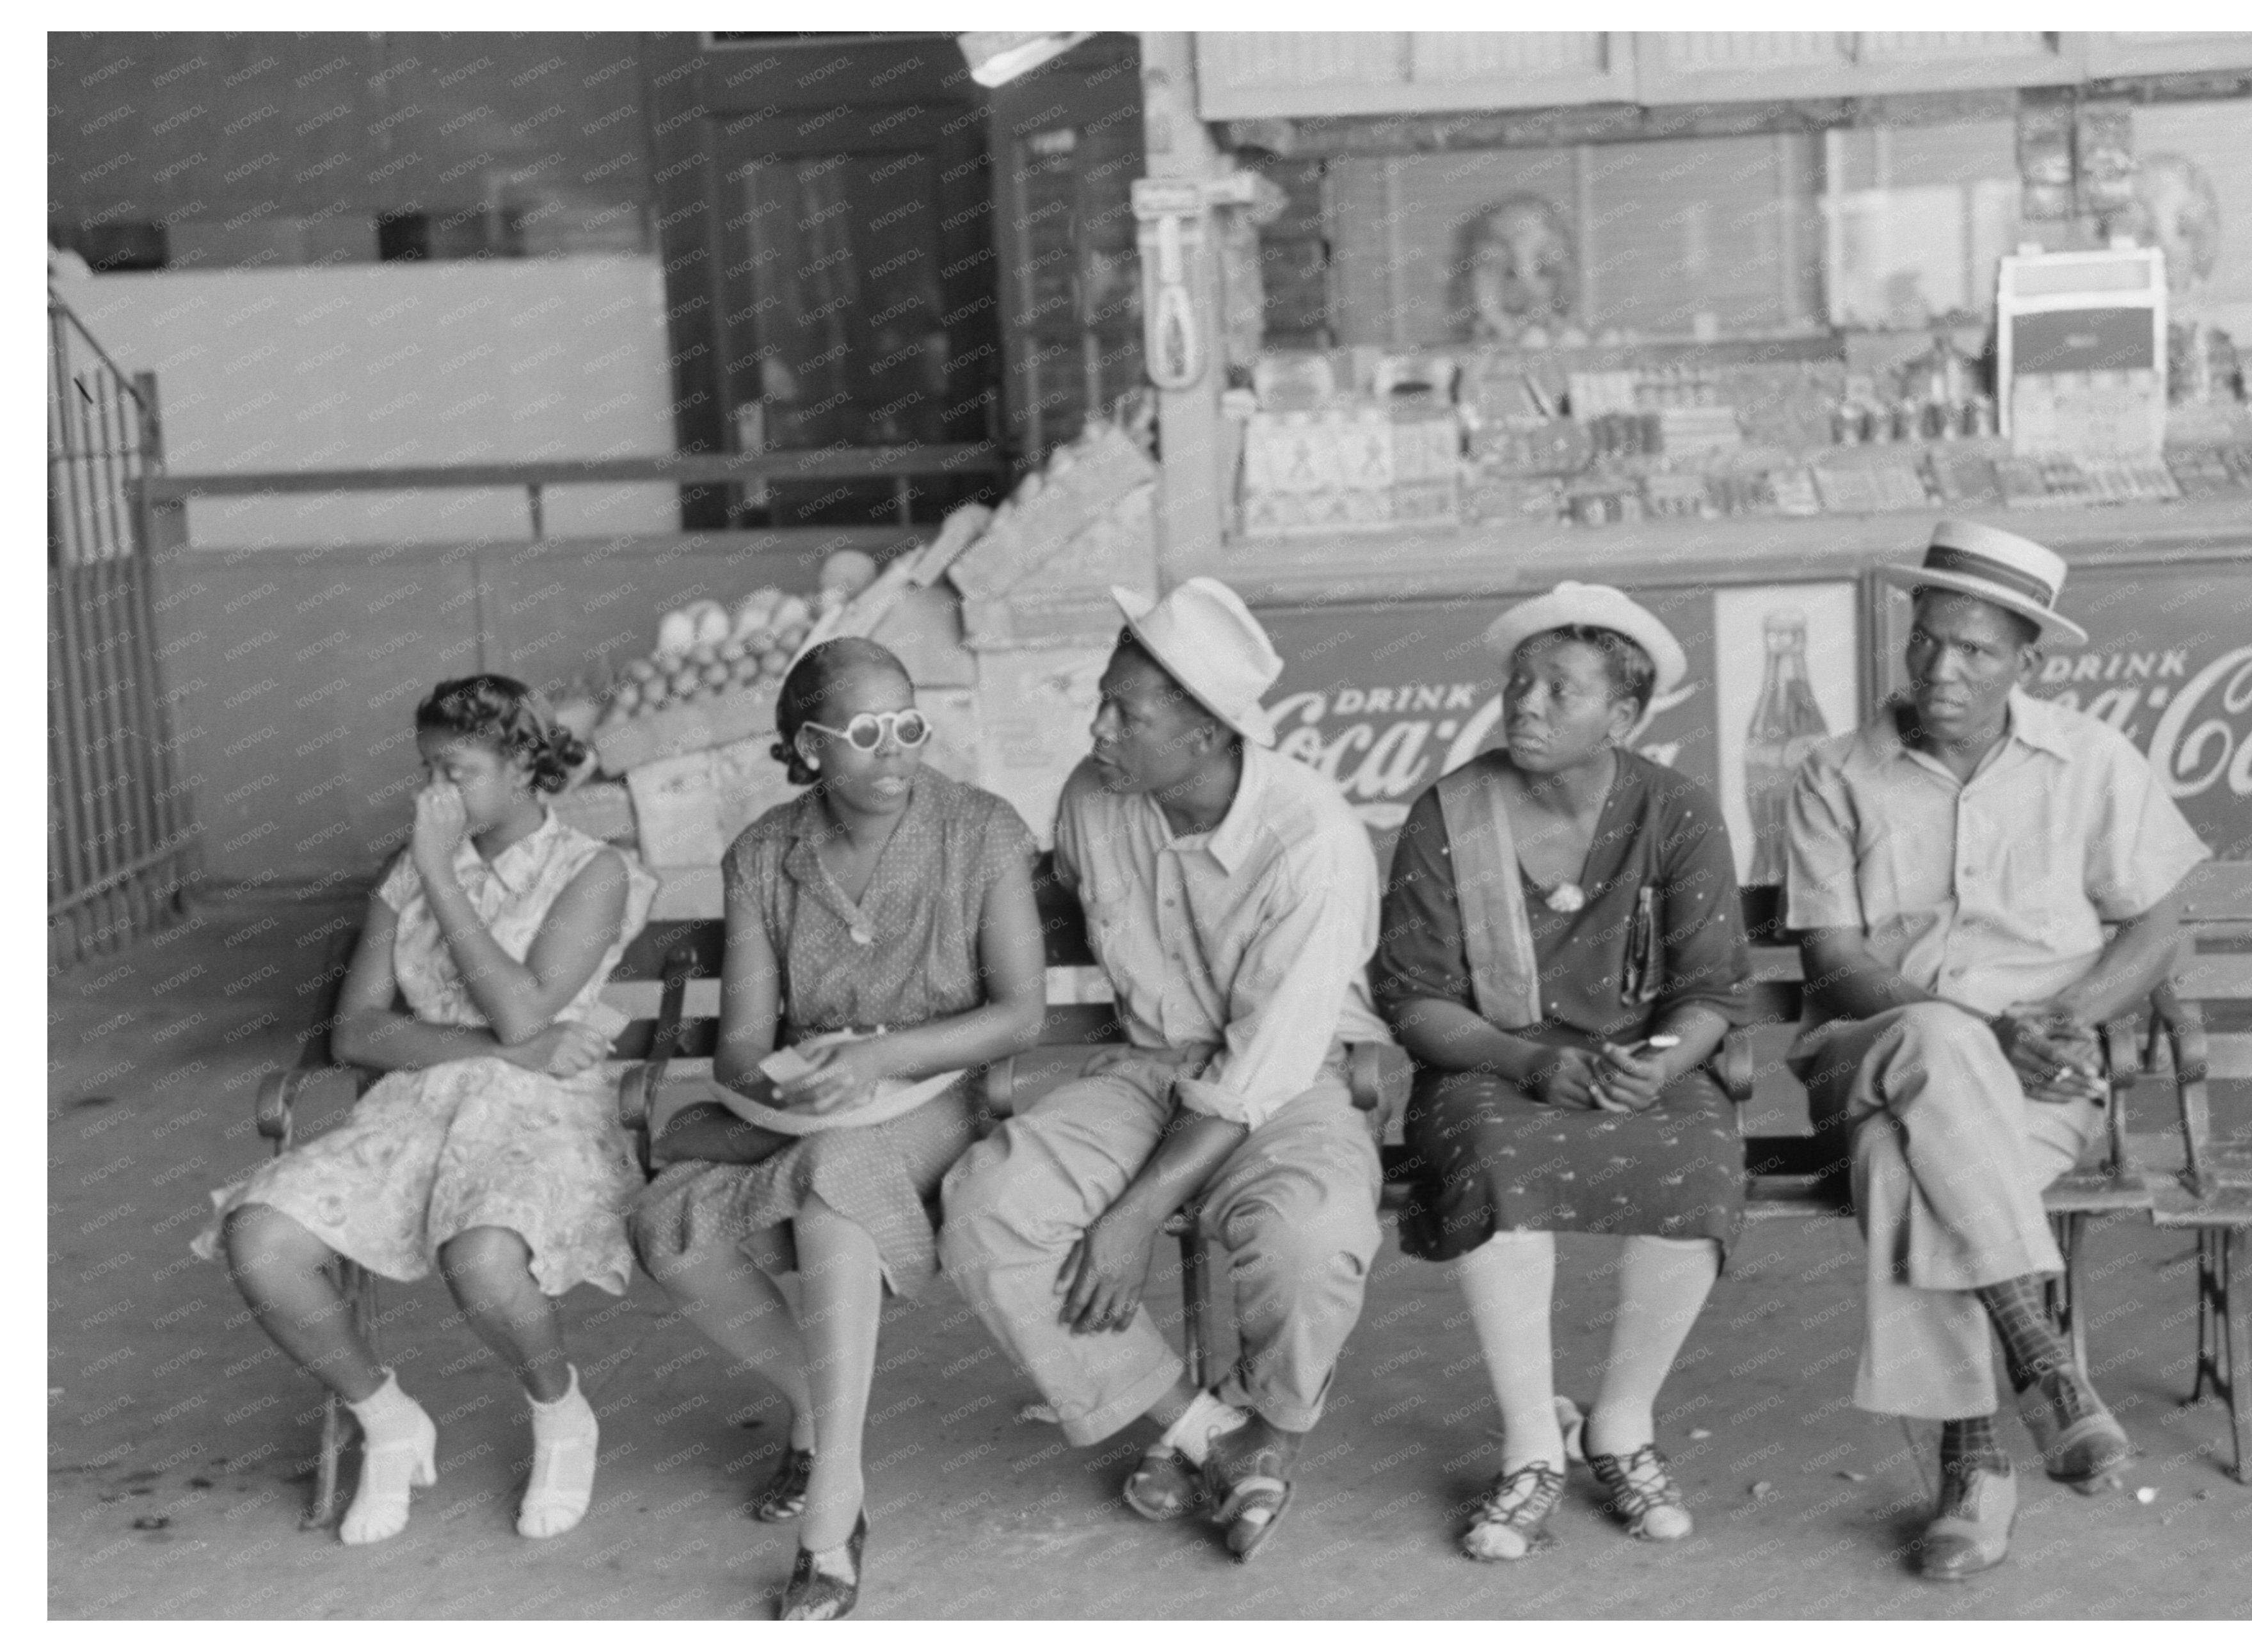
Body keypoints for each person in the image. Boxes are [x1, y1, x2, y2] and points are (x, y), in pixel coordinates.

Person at [1783, 521, 2208, 1582]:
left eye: (1975, 650)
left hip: (2039, 1080)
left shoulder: (2089, 759)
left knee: (1900, 1164)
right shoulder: (1832, 771)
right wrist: (1980, 1029)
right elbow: (1832, 958)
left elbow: (2158, 927)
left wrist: (2070, 1016)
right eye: (1926, 640)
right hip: (1870, 1050)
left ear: (2029, 659)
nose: (1941, 669)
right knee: (1936, 1035)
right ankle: (2043, 1355)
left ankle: (1974, 1474)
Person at [938, 576, 1389, 1564]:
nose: (1096, 729)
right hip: (1148, 1070)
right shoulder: (1096, 796)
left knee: (1312, 1238)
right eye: (1101, 700)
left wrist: (1132, 1214)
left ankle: (1270, 1421)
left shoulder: (1311, 838)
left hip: (1288, 1079)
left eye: (1123, 713)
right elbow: (1034, 893)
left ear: (1209, 735)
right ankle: (1208, 1434)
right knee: (988, 1204)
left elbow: (1259, 1068)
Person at [628, 637, 1045, 1621]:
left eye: (908, 724)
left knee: (834, 1181)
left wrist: (876, 1060)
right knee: (667, 1224)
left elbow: (1019, 1015)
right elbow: (738, 1046)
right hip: (814, 1109)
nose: (895, 748)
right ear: (809, 747)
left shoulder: (979, 830)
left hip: (937, 1101)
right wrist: (792, 1079)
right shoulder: (764, 855)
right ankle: (818, 1408)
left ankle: (832, 1508)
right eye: (865, 731)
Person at [196, 674, 657, 1545]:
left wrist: (440, 874)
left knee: (483, 1258)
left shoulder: (593, 871)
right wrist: (499, 1045)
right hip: (413, 1109)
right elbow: (357, 1033)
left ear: (523, 765)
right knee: (257, 1234)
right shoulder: (400, 872)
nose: (433, 797)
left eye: (458, 772)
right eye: (426, 772)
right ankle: (386, 1415)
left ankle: (561, 1412)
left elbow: (524, 1009)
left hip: (542, 1112)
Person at [1376, 583, 1749, 1561]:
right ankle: (1532, 1445)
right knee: (1496, 1158)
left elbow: (1711, 989)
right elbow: (1414, 1000)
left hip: (1639, 1068)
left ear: (1622, 716)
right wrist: (1529, 1061)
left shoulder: (1675, 812)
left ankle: (1620, 1426)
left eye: (1559, 690)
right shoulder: (1450, 812)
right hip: (1494, 1065)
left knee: (1699, 1165)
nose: (1526, 706)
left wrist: (1661, 1067)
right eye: (1519, 684)